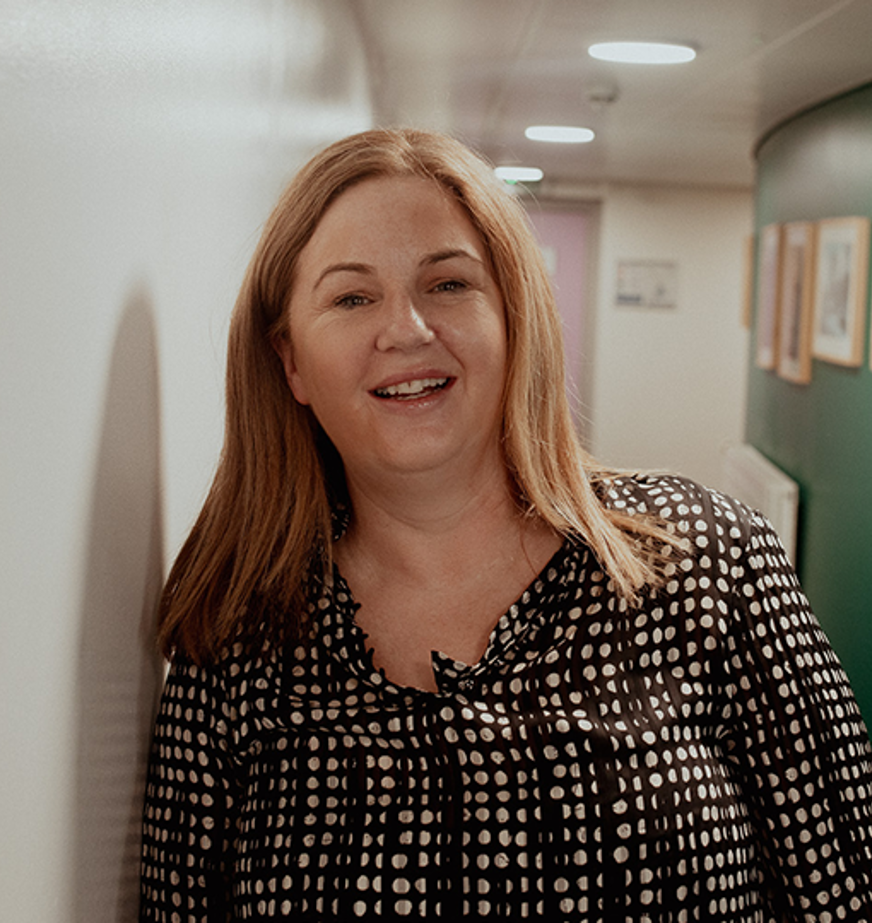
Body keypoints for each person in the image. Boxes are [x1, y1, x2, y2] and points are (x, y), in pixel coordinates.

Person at [140, 128, 872, 921]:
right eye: (352, 297)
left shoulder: (713, 563)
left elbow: (850, 889)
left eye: (448, 284)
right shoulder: (238, 637)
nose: (407, 328)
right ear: (290, 363)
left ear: (514, 317)